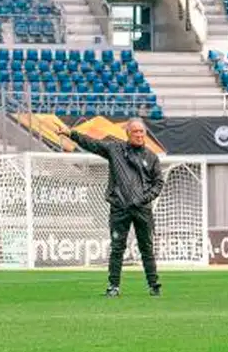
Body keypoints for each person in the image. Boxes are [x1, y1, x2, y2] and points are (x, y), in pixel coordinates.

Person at [58, 118, 164, 297]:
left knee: (146, 247)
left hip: (143, 209)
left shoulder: (151, 157)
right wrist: (70, 133)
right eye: (135, 132)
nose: (139, 135)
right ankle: (113, 286)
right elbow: (92, 144)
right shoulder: (115, 149)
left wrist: (144, 198)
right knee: (117, 248)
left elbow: (158, 183)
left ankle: (154, 285)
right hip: (120, 208)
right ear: (127, 133)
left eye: (141, 132)